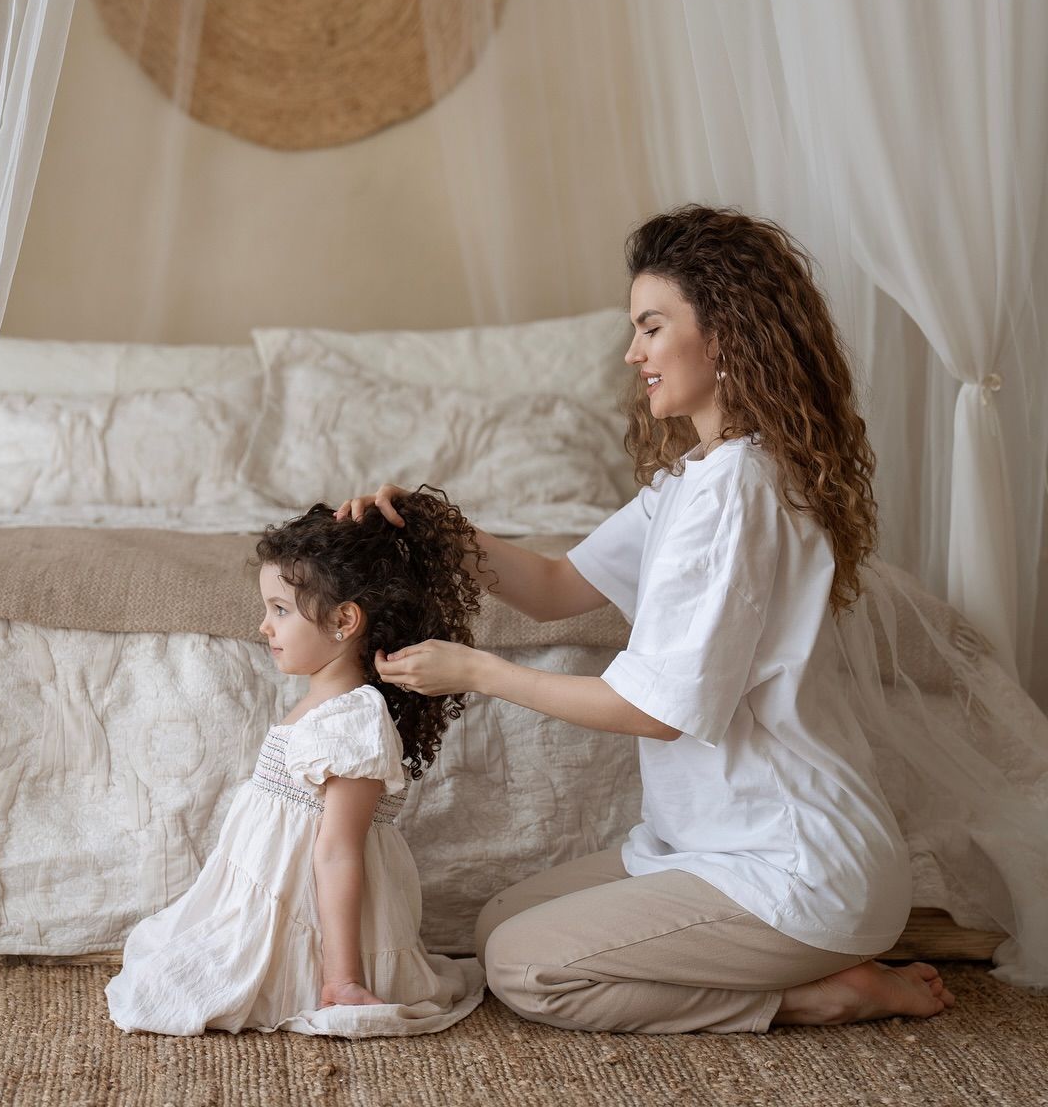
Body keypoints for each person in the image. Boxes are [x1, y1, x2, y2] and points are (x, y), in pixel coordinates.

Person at [337, 205, 957, 1034]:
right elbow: (556, 585)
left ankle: (816, 995)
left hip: (793, 865)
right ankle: (804, 972)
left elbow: (656, 710)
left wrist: (476, 670)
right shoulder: (693, 480)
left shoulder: (738, 494)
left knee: (524, 969)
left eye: (651, 327)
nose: (633, 353)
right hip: (708, 846)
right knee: (496, 927)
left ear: (725, 336)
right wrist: (430, 527)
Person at [105, 490, 487, 1036]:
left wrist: (342, 979)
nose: (265, 626)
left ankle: (331, 977)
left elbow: (338, 852)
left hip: (313, 912)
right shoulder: (322, 704)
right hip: (277, 893)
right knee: (163, 961)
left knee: (177, 990)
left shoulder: (353, 720)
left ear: (343, 620)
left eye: (280, 610)